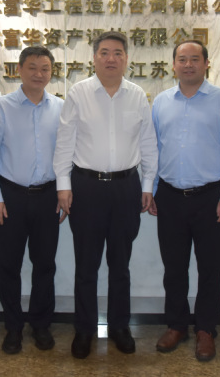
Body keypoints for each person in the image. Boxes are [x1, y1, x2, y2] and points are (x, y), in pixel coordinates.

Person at [53, 31, 158, 359]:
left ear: (126, 58)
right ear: (94, 57)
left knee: (120, 265)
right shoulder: (79, 93)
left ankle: (119, 327)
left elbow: (148, 143)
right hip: (86, 187)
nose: (111, 58)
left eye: (117, 53)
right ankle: (84, 329)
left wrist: (147, 185)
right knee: (86, 265)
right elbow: (64, 142)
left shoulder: (137, 95)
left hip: (126, 188)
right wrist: (63, 186)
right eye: (104, 52)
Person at [151, 40, 220, 362]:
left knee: (210, 268)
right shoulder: (161, 101)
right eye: (182, 59)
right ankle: (176, 325)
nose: (188, 64)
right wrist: (151, 189)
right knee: (174, 268)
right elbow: (154, 150)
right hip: (169, 197)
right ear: (173, 64)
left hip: (210, 198)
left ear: (206, 64)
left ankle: (206, 329)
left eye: (194, 59)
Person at [0, 45, 64, 355]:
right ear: (20, 70)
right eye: (32, 68)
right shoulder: (1, 107)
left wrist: (64, 190)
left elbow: (66, 153)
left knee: (45, 265)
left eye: (45, 69)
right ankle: (13, 327)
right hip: (10, 197)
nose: (39, 74)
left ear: (52, 72)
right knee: (9, 266)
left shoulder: (61, 107)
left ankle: (41, 324)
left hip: (48, 197)